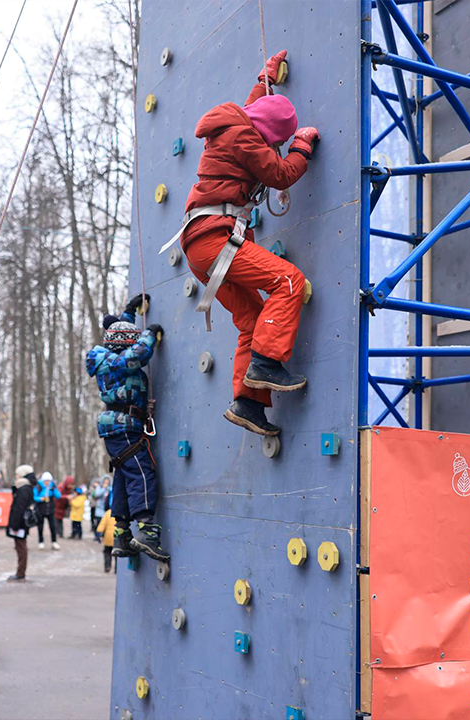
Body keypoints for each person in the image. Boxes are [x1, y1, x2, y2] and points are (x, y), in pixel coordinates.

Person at [173, 49, 319, 437]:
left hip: (201, 247)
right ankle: (267, 364)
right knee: (287, 281)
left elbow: (255, 106)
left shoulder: (237, 125)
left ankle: (248, 403)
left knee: (252, 321)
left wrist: (265, 76)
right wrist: (302, 146)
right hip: (216, 239)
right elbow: (281, 173)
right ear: (270, 136)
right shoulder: (247, 140)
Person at [86, 294, 169, 562]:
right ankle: (145, 531)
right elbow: (136, 354)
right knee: (142, 475)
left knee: (124, 477)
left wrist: (129, 312)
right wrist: (150, 333)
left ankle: (122, 534)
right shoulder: (114, 363)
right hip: (124, 427)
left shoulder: (110, 357)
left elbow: (123, 338)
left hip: (122, 427)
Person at [6, 464, 37, 581]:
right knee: (20, 547)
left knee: (21, 547)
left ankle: (20, 572)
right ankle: (20, 571)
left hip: (20, 524)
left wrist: (15, 525)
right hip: (21, 523)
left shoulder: (24, 489)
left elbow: (19, 509)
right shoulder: (25, 488)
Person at [33, 471, 61, 550]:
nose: (47, 483)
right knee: (40, 526)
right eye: (46, 481)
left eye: (49, 481)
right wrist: (40, 499)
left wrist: (54, 490)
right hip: (41, 509)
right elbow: (34, 497)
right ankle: (41, 542)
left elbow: (58, 496)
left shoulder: (52, 486)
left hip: (50, 509)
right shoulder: (38, 486)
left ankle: (54, 541)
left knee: (53, 526)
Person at [96, 504, 117, 573]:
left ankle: (107, 566)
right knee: (117, 553)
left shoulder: (108, 512)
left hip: (108, 537)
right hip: (117, 536)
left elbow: (103, 524)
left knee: (107, 552)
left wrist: (99, 532)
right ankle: (117, 568)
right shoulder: (120, 512)